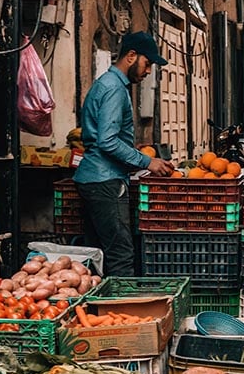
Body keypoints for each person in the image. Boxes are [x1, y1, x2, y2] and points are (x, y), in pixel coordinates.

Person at [73, 31, 175, 275]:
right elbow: (107, 141)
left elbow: (104, 137)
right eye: (147, 63)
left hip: (93, 178)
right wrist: (146, 161)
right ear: (131, 56)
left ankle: (100, 310)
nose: (148, 71)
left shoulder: (105, 84)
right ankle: (123, 310)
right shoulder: (115, 89)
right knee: (121, 255)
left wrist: (133, 151)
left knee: (98, 254)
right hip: (105, 181)